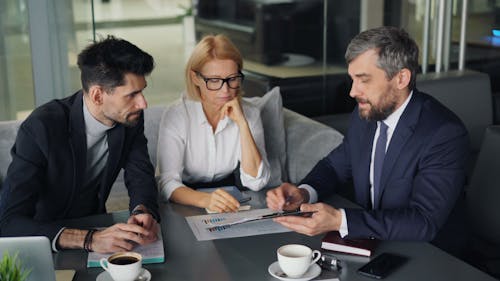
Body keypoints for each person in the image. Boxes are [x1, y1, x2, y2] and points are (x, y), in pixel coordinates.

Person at [266, 26, 469, 242]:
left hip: (429, 256)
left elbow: (423, 222)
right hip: (371, 241)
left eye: (364, 80)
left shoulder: (444, 134)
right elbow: (334, 167)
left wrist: (340, 220)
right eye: (353, 79)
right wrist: (304, 192)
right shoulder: (366, 115)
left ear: (401, 79)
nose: (353, 91)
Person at [0, 35, 160, 253]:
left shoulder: (130, 117)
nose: (143, 103)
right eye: (132, 94)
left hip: (96, 230)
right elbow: (8, 222)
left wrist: (142, 210)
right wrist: (89, 239)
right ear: (97, 96)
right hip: (44, 241)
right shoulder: (41, 127)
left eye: (142, 91)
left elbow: (140, 174)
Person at [156, 34, 270, 213]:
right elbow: (167, 183)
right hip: (185, 198)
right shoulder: (177, 115)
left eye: (232, 79)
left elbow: (255, 182)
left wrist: (242, 124)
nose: (225, 90)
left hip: (230, 196)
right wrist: (206, 200)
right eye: (214, 80)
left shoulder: (250, 113)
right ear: (196, 78)